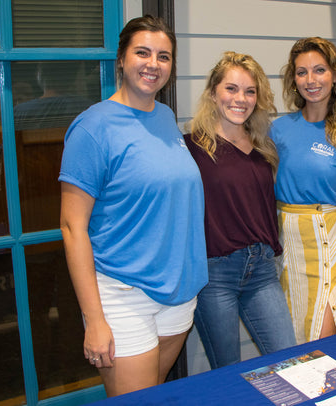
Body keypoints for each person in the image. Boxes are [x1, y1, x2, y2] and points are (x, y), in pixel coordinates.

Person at [58, 15, 208, 396]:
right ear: (121, 60)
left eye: (163, 56)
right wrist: (94, 319)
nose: (153, 64)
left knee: (152, 394)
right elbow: (73, 227)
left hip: (177, 293)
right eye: (142, 53)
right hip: (123, 297)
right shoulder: (92, 128)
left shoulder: (165, 116)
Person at [184, 51, 296, 369]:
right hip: (215, 274)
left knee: (290, 359)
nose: (240, 99)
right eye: (231, 89)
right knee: (228, 371)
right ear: (212, 93)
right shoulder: (191, 148)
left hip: (262, 268)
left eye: (249, 91)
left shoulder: (264, 147)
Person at [272, 37, 336, 344]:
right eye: (302, 72)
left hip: (328, 245)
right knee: (288, 345)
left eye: (319, 70)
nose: (311, 80)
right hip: (285, 249)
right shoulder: (279, 130)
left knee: (320, 344)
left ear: (334, 75)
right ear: (294, 79)